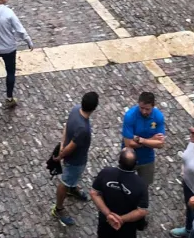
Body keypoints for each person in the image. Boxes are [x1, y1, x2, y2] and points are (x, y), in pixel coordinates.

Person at [51, 91, 100, 227]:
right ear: (94, 108)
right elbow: (71, 147)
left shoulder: (75, 109)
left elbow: (66, 127)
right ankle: (59, 208)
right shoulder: (83, 128)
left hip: (75, 158)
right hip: (75, 161)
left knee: (72, 179)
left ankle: (72, 189)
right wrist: (60, 156)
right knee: (65, 181)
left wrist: (61, 145)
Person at [90, 148, 150, 237]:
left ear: (119, 161)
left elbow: (94, 193)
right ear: (136, 164)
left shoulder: (106, 173)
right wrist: (121, 219)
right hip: (127, 226)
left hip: (106, 221)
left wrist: (109, 215)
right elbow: (142, 211)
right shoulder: (141, 184)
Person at [121, 91, 166, 186]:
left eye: (147, 109)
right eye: (141, 108)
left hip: (147, 159)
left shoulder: (158, 117)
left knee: (144, 186)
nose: (144, 111)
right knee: (124, 184)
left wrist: (141, 140)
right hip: (129, 158)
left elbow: (160, 144)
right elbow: (128, 144)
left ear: (153, 106)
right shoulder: (130, 116)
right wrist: (151, 140)